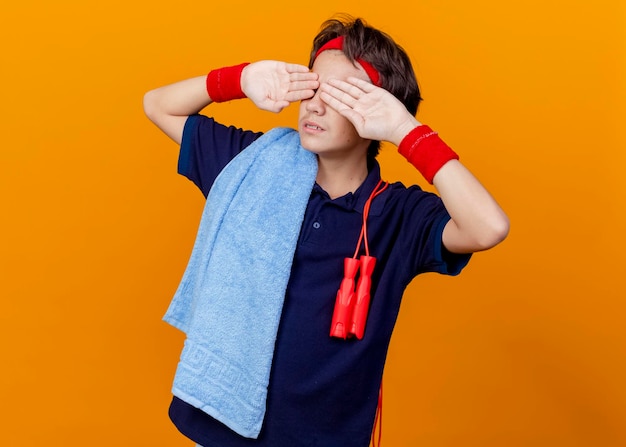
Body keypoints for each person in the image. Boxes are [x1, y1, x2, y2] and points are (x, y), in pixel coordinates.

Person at [143, 15, 509, 447]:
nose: (314, 105)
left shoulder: (399, 213)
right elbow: (158, 104)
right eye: (312, 88)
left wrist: (405, 130)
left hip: (324, 436)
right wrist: (242, 78)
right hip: (221, 426)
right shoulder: (253, 165)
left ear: (379, 109)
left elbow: (489, 227)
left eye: (337, 95)